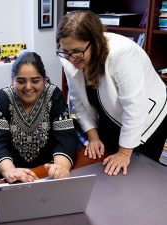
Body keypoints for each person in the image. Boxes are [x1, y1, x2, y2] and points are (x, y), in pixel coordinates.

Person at [56, 10, 167, 176]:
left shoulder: (122, 53)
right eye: (66, 51)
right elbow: (77, 100)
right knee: (107, 166)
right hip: (110, 114)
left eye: (77, 51)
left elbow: (135, 107)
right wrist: (93, 137)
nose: (71, 59)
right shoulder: (69, 55)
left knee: (135, 173)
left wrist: (124, 153)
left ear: (95, 42)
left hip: (147, 117)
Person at [0, 51, 79, 184]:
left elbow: (66, 137)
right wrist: (10, 171)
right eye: (21, 81)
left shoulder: (54, 96)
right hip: (11, 178)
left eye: (35, 81)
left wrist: (60, 168)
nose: (28, 87)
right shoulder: (3, 98)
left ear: (44, 79)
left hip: (45, 175)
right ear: (12, 80)